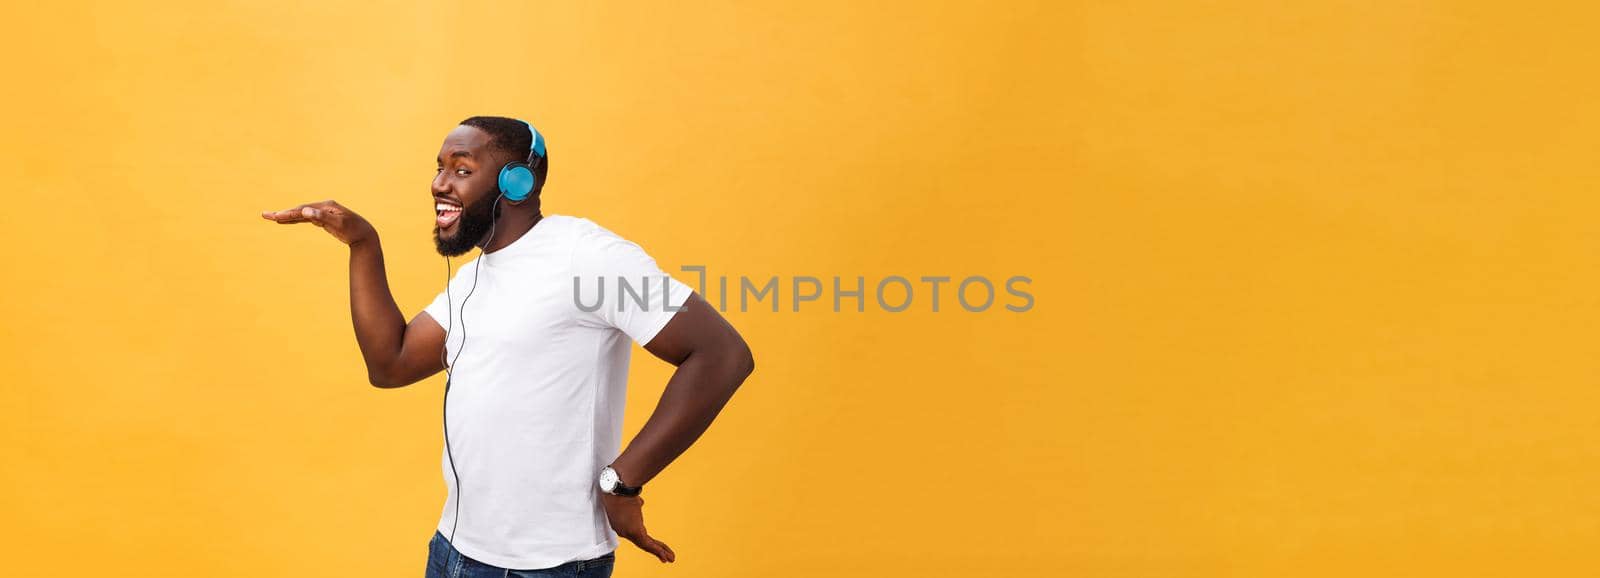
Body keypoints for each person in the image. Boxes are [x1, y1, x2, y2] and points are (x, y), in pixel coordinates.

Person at [261, 116, 755, 577]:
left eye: (462, 169)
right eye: (439, 169)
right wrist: (363, 244)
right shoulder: (475, 277)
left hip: (548, 565)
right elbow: (390, 363)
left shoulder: (588, 256)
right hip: (454, 551)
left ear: (516, 183)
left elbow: (722, 354)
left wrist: (622, 480)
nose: (439, 184)